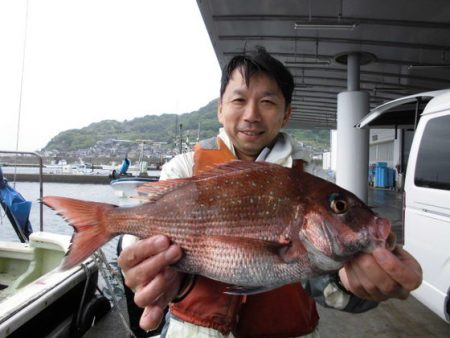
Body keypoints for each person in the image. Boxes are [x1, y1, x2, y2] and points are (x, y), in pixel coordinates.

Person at [118, 46, 422, 337]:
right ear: (220, 109)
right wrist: (136, 258)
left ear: (286, 114)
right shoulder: (184, 169)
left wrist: (354, 284)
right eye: (238, 101)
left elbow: (325, 280)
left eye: (267, 102)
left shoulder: (311, 181)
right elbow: (144, 222)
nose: (251, 115)